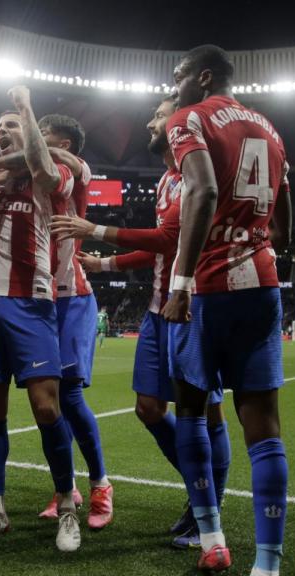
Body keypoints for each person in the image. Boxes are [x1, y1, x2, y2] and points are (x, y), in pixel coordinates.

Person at [50, 95, 232, 549]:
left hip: (193, 306)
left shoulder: (199, 174)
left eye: (157, 114)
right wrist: (106, 265)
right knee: (150, 409)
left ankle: (207, 509)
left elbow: (171, 237)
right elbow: (160, 247)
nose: (150, 122)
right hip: (157, 311)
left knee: (208, 412)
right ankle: (199, 493)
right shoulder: (168, 181)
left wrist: (96, 231)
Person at [162, 45, 292, 575]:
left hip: (210, 289)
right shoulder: (272, 129)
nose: (174, 88)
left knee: (192, 409)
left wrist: (181, 281)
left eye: (179, 78)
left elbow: (203, 189)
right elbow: (285, 226)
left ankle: (213, 540)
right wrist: (253, 244)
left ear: (204, 76)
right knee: (264, 425)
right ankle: (268, 565)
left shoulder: (189, 118)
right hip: (262, 284)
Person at [0, 113, 112, 527]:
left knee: (64, 397)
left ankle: (99, 484)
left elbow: (39, 160)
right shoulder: (9, 177)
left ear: (63, 146)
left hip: (68, 295)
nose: (10, 137)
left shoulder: (73, 169)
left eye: (40, 134)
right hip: (25, 292)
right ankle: (58, 490)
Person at [0, 86, 80, 551]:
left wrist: (26, 108)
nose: (2, 132)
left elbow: (46, 169)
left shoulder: (55, 174)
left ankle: (67, 506)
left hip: (33, 300)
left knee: (47, 407)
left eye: (11, 125)